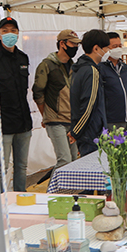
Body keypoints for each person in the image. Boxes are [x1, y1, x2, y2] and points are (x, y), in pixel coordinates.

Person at [32, 29, 80, 170]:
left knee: (73, 160)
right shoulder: (46, 65)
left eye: (77, 44)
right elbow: (37, 93)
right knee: (64, 160)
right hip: (55, 121)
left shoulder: (74, 66)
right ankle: (52, 190)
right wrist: (46, 116)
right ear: (62, 44)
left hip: (71, 120)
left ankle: (67, 191)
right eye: (73, 43)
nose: (76, 47)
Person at [0, 17, 32, 192]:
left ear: (18, 33)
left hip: (23, 122)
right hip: (3, 124)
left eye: (13, 30)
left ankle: (20, 197)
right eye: (5, 30)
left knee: (22, 166)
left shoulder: (23, 58)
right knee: (1, 168)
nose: (10, 34)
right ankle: (1, 202)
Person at [70, 29, 110, 158]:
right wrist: (76, 131)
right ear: (96, 48)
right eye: (106, 48)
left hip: (88, 132)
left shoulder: (79, 68)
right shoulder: (91, 71)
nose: (108, 52)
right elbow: (88, 105)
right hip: (91, 133)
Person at [100, 32, 127, 133]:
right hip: (110, 120)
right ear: (106, 48)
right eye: (114, 46)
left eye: (120, 45)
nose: (118, 49)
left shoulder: (124, 68)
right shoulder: (101, 68)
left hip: (126, 119)